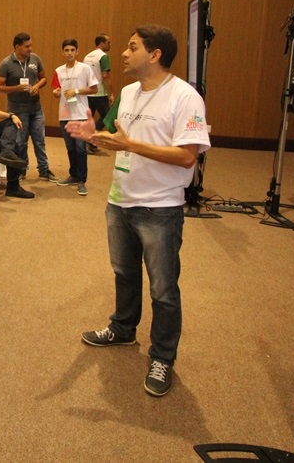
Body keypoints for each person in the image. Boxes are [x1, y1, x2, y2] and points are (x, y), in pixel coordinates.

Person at [76, 25, 210, 398]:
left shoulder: (185, 98)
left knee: (164, 288)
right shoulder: (130, 93)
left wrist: (130, 145)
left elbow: (187, 157)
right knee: (124, 272)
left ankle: (162, 356)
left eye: (132, 47)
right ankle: (122, 328)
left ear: (154, 55)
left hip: (160, 206)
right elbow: (117, 138)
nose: (122, 53)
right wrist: (96, 136)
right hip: (120, 200)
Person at [0, 32, 57, 181]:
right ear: (17, 47)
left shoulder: (35, 59)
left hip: (35, 107)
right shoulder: (6, 64)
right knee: (20, 142)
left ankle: (44, 169)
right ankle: (22, 169)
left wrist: (37, 86)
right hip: (17, 109)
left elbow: (43, 78)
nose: (30, 48)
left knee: (39, 139)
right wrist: (16, 88)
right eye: (27, 46)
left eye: (30, 45)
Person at [51, 39, 98, 196]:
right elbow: (56, 89)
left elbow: (94, 89)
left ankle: (81, 180)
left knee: (80, 148)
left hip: (80, 114)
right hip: (65, 114)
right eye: (66, 50)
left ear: (77, 51)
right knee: (70, 147)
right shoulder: (59, 70)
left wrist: (76, 91)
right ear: (62, 52)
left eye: (72, 50)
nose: (69, 53)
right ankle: (73, 174)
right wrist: (56, 92)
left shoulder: (84, 68)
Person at [83, 34, 114, 154]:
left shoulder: (87, 57)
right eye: (108, 42)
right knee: (107, 116)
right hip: (99, 92)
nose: (110, 44)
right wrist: (111, 93)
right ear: (101, 43)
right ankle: (91, 139)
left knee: (89, 118)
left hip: (88, 91)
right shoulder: (103, 56)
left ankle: (88, 142)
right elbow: (105, 76)